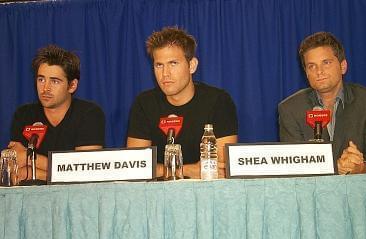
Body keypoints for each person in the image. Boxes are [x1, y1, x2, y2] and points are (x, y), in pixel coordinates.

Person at [126, 27, 238, 179]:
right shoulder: (144, 103)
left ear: (192, 65)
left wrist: (163, 170)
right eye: (159, 65)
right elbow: (135, 166)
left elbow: (220, 168)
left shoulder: (219, 101)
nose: (165, 73)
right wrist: (186, 170)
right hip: (157, 195)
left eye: (173, 63)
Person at [278, 31, 366, 174]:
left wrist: (360, 168)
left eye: (326, 63)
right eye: (312, 66)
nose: (319, 71)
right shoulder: (290, 108)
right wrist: (336, 168)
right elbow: (292, 167)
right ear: (306, 73)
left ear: (343, 66)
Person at [8, 45, 105, 183]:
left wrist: (31, 162)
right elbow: (15, 170)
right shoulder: (24, 114)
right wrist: (63, 170)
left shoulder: (89, 114)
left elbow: (86, 172)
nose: (45, 88)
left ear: (72, 86)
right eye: (41, 79)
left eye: (54, 81)